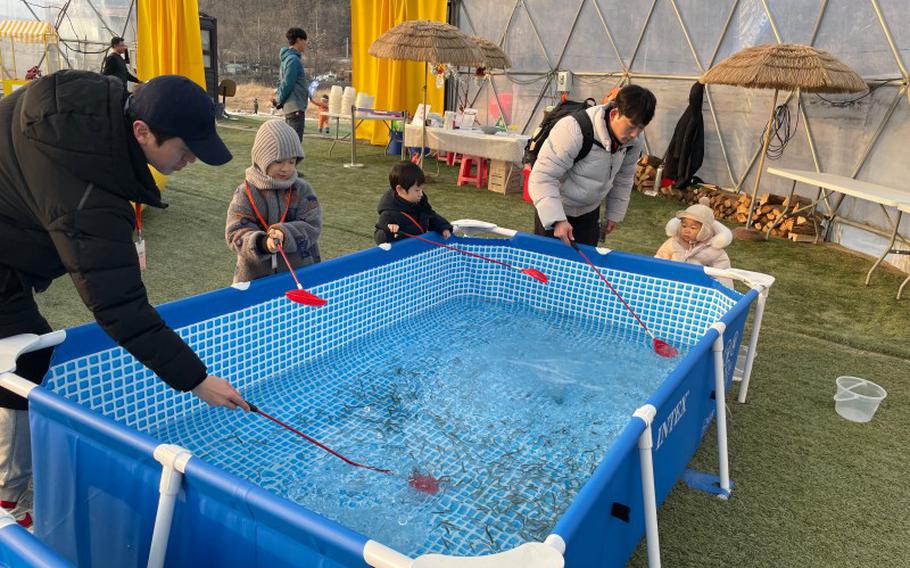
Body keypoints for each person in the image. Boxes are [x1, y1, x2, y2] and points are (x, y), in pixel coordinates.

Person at [0, 70, 248, 527]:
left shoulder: (100, 102)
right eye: (186, 148)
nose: (191, 158)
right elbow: (119, 307)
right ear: (142, 131)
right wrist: (197, 379)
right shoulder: (86, 191)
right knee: (20, 360)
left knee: (29, 356)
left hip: (11, 237)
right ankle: (5, 502)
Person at [528, 84, 656, 246]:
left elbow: (623, 178)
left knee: (583, 268)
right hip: (557, 207)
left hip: (589, 213)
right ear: (615, 113)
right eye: (631, 126)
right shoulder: (573, 129)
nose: (634, 134)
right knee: (547, 266)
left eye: (641, 128)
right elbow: (543, 176)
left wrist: (613, 214)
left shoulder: (634, 140)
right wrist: (557, 220)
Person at [225, 120, 322, 283]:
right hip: (254, 279)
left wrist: (285, 234)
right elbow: (235, 233)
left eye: (292, 161)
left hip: (300, 274)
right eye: (279, 161)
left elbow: (313, 225)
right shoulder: (245, 192)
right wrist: (263, 243)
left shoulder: (302, 189)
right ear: (263, 158)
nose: (286, 168)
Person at [655, 197, 734, 287]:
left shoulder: (714, 251)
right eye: (684, 226)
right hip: (671, 284)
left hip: (698, 289)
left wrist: (723, 290)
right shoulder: (673, 243)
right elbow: (659, 259)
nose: (687, 230)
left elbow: (723, 275)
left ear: (705, 230)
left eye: (693, 228)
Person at [374, 161, 452, 245]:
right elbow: (380, 239)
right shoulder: (389, 214)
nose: (421, 194)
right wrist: (388, 231)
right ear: (400, 189)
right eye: (417, 190)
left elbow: (430, 216)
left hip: (419, 248)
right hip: (403, 254)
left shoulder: (420, 201)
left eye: (422, 189)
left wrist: (443, 227)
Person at [274, 27, 310, 141]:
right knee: (294, 147)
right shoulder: (293, 60)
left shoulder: (287, 59)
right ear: (298, 40)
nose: (305, 44)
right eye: (304, 40)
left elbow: (282, 83)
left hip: (292, 108)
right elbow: (287, 83)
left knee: (291, 145)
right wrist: (279, 100)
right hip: (295, 109)